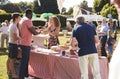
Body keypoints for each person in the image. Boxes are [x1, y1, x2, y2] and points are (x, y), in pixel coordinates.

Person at [19, 9, 41, 79]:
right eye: (32, 15)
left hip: (23, 42)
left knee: (25, 60)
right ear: (30, 14)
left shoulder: (22, 20)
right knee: (24, 61)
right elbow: (34, 32)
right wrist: (39, 32)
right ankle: (22, 76)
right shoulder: (28, 20)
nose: (32, 16)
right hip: (25, 44)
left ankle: (26, 76)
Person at [6, 13, 21, 78]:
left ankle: (8, 71)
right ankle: (13, 74)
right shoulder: (14, 26)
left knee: (9, 58)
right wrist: (20, 37)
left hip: (10, 43)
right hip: (13, 45)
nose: (20, 19)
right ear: (16, 18)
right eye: (19, 18)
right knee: (12, 60)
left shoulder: (12, 25)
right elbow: (15, 38)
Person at [109, 0, 120, 79]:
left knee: (110, 50)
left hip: (111, 40)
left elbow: (113, 35)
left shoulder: (113, 29)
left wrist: (113, 40)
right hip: (109, 41)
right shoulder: (109, 28)